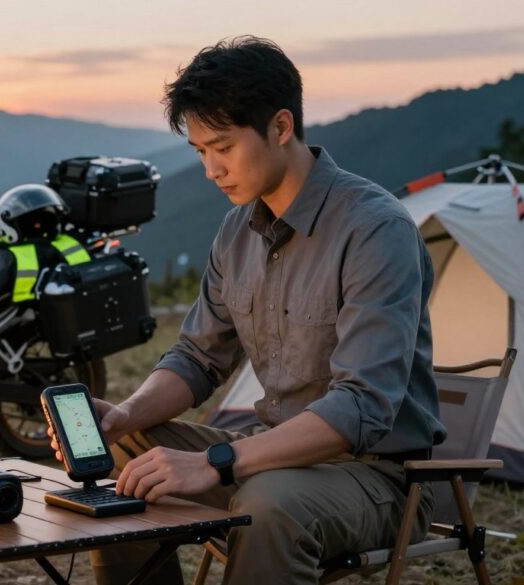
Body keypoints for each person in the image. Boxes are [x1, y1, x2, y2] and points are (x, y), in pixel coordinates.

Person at [47, 36, 447, 584]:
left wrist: (213, 464)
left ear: (281, 128)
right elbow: (195, 358)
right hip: (271, 457)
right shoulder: (238, 230)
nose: (212, 169)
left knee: (267, 503)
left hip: (375, 478)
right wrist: (123, 416)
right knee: (127, 452)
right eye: (200, 152)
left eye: (224, 147)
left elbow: (361, 408)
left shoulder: (375, 229)